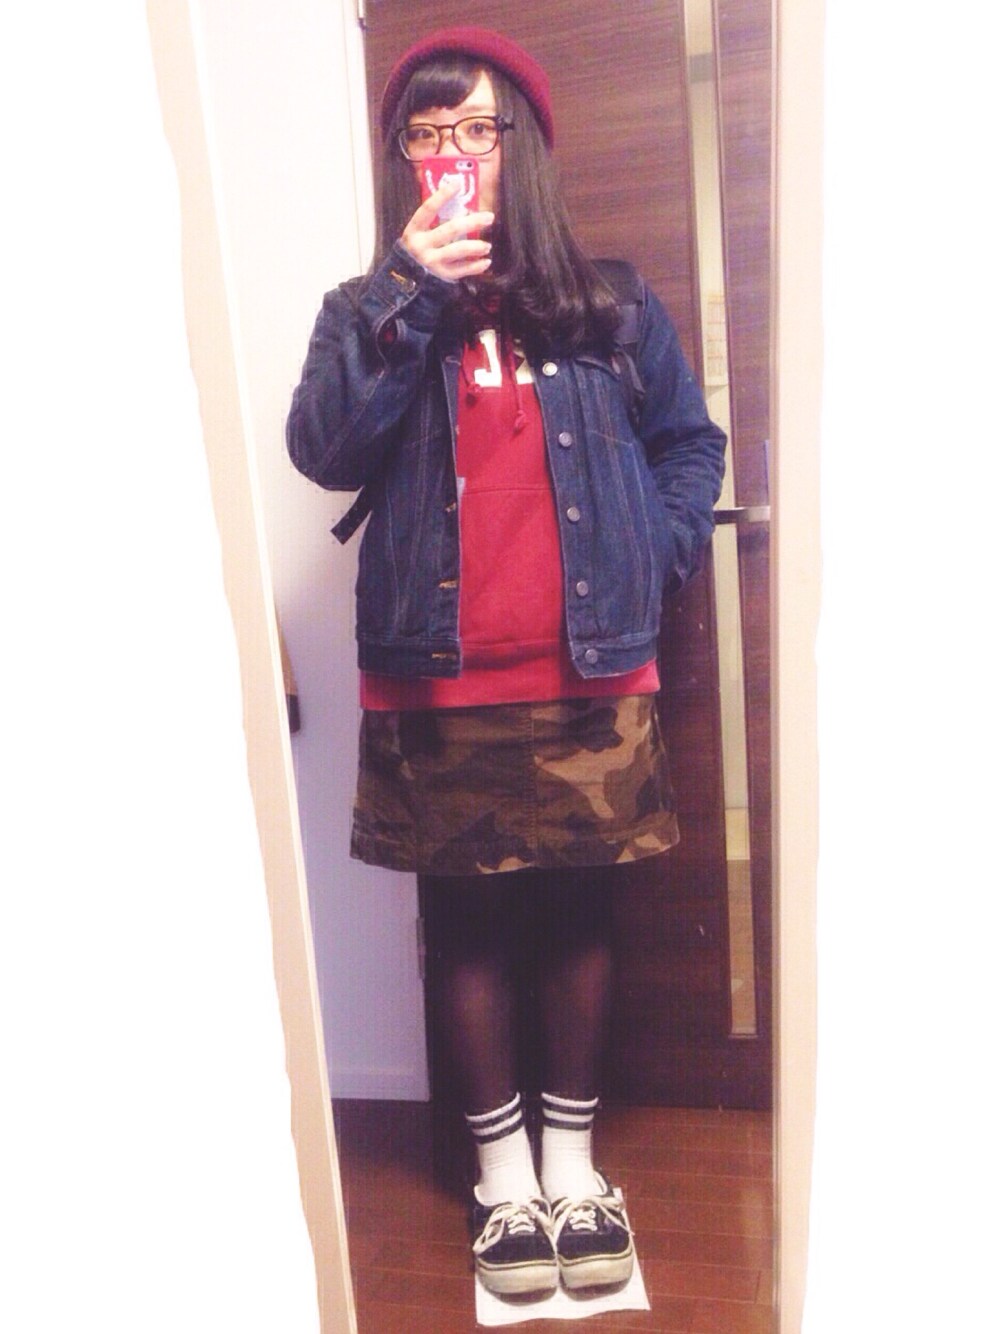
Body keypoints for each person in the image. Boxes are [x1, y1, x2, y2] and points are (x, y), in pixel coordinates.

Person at [287, 26, 726, 1302]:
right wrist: (408, 292)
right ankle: (502, 1182)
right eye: (428, 132)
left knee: (579, 918)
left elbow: (686, 444)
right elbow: (324, 449)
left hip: (593, 671)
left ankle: (574, 1170)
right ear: (404, 159)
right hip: (437, 675)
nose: (453, 151)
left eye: (477, 127)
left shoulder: (609, 302)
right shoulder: (364, 310)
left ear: (519, 145)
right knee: (469, 930)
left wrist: (655, 550)